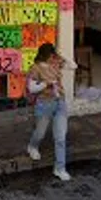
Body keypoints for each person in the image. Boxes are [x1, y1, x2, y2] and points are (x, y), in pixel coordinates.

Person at [26, 43, 76, 182]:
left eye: (53, 55)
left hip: (60, 102)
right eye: (51, 56)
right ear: (44, 56)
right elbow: (31, 88)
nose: (52, 58)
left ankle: (60, 168)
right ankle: (32, 146)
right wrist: (45, 84)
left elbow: (73, 66)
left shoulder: (56, 63)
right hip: (44, 104)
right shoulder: (35, 68)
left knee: (60, 137)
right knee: (40, 132)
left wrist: (62, 56)